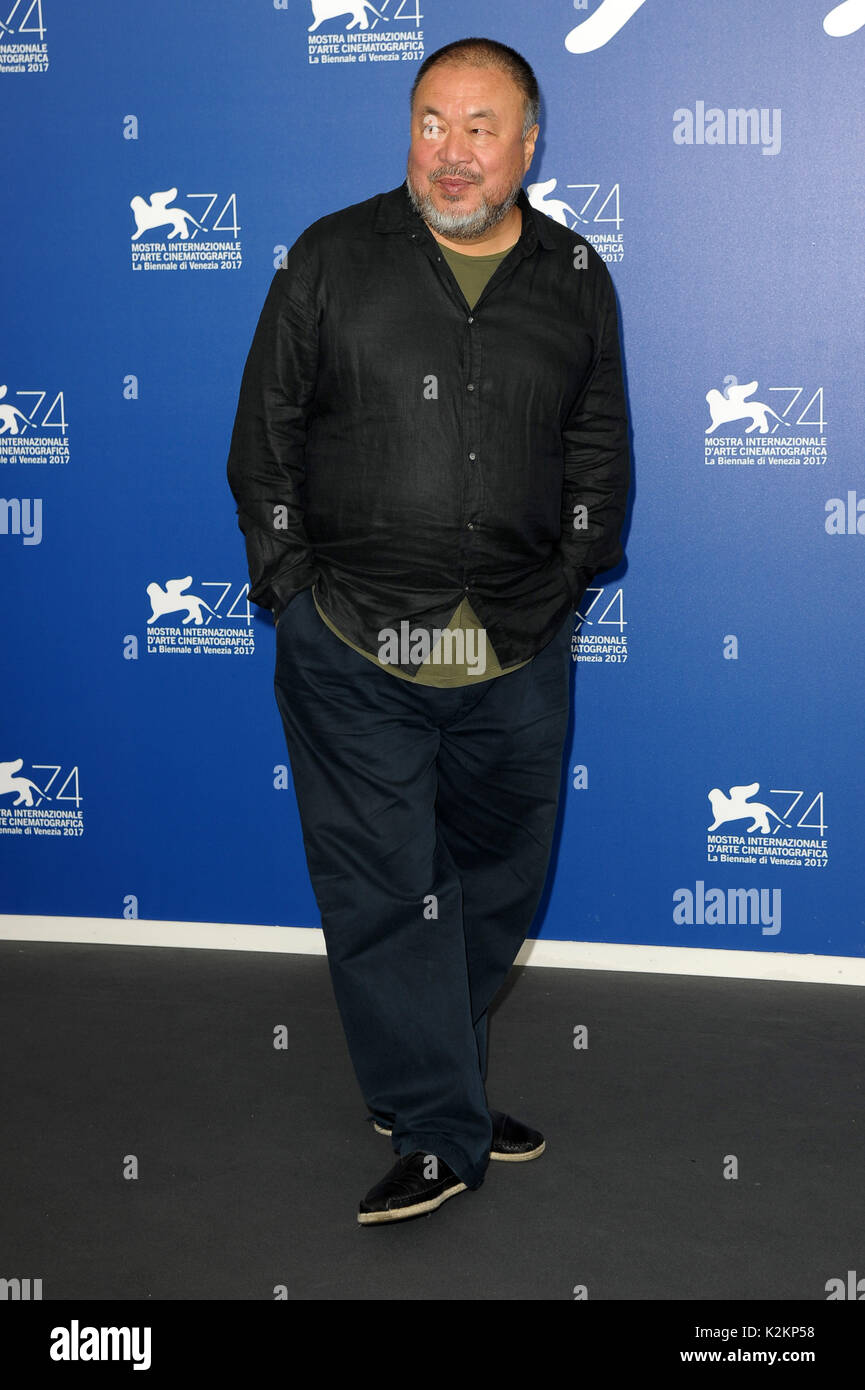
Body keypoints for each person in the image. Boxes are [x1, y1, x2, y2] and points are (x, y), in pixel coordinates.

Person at [226, 35, 630, 1225]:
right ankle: (439, 1125)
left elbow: (597, 442)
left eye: (479, 129)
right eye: (430, 124)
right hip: (355, 641)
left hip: (513, 642)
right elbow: (266, 439)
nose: (450, 156)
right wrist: (289, 585)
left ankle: (427, 1076)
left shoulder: (572, 275)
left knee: (499, 882)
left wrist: (573, 572)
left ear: (528, 142)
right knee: (386, 888)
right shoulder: (328, 259)